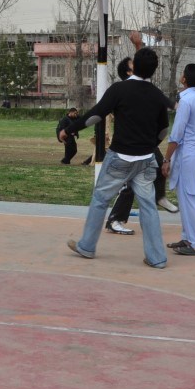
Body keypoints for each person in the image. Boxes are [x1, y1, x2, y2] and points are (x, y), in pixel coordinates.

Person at [64, 46, 171, 268]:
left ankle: (87, 246)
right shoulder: (157, 95)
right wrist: (150, 145)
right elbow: (163, 130)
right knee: (148, 207)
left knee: (100, 199)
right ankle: (157, 258)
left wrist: (70, 129)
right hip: (146, 160)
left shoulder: (119, 89)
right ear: (153, 70)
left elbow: (95, 115)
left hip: (119, 158)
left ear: (134, 67)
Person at [102, 56, 178, 235]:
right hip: (129, 146)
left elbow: (145, 62)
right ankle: (115, 220)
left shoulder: (143, 86)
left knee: (159, 165)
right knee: (129, 185)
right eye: (133, 65)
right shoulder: (125, 90)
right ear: (129, 72)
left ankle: (160, 196)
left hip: (147, 143)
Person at [163, 64, 195, 256]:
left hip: (189, 155)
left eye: (182, 73)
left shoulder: (186, 101)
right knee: (186, 197)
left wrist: (166, 159)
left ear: (184, 79)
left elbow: (176, 134)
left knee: (191, 197)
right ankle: (188, 238)